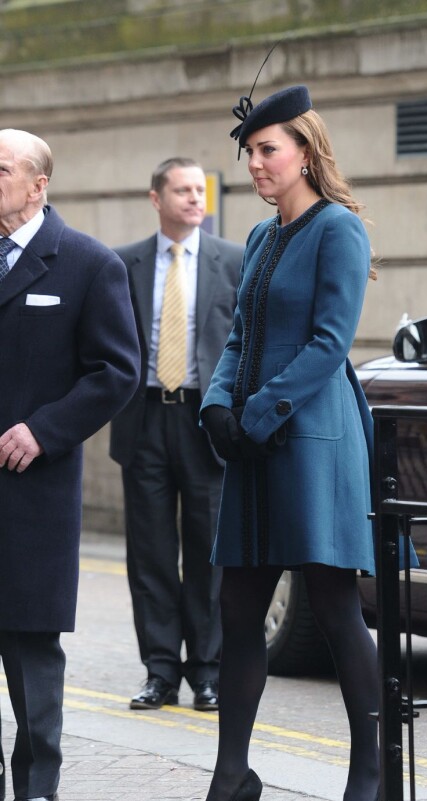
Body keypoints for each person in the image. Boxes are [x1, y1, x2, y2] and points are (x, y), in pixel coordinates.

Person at [173, 84, 380, 801]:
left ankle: (369, 769)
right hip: (255, 440)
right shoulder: (261, 239)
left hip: (312, 438)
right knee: (236, 609)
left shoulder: (340, 230)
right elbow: (234, 338)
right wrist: (218, 405)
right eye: (249, 152)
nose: (255, 163)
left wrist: (257, 413)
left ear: (305, 150)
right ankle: (232, 778)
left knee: (331, 604)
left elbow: (331, 344)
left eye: (268, 149)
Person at [0, 128, 140, 801]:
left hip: (32, 487)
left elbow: (117, 371)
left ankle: (37, 785)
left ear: (38, 184)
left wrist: (44, 430)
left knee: (29, 643)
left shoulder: (88, 263)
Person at [109, 158, 243, 713]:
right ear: (156, 198)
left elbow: (246, 341)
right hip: (143, 419)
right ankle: (159, 671)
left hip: (204, 420)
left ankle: (206, 674)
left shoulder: (232, 260)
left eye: (199, 190)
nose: (194, 199)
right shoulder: (123, 264)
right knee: (151, 554)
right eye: (182, 190)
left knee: (208, 553)